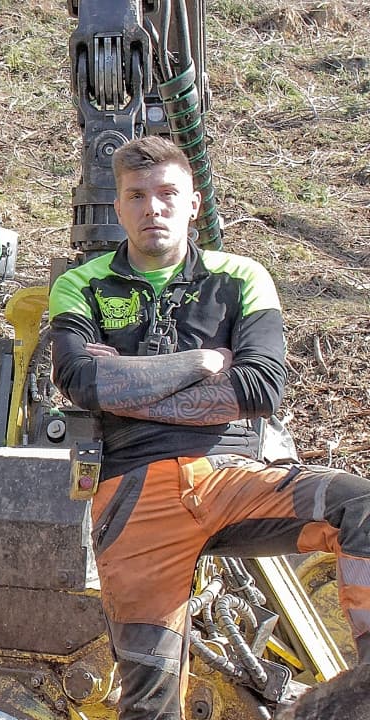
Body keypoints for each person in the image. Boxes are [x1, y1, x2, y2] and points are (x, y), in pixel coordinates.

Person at [48, 135, 370, 720]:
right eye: (137, 196)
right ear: (118, 208)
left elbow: (261, 389)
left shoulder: (241, 277)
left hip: (233, 476)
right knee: (149, 700)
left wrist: (126, 381)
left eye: (168, 193)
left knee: (361, 505)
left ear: (194, 203)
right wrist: (198, 366)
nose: (153, 208)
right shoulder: (81, 284)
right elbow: (81, 383)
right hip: (133, 494)